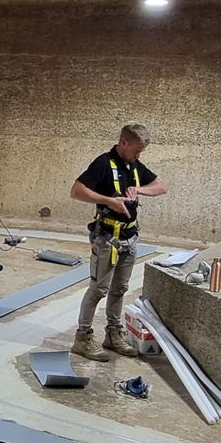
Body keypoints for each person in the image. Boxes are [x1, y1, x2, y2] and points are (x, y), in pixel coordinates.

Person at [70, 123, 168, 361]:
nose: (139, 156)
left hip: (129, 237)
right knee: (98, 290)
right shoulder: (103, 164)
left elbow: (161, 186)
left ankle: (113, 334)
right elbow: (76, 191)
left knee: (120, 289)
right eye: (136, 150)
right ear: (123, 142)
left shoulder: (133, 166)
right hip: (107, 239)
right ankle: (82, 338)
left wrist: (139, 190)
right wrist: (109, 201)